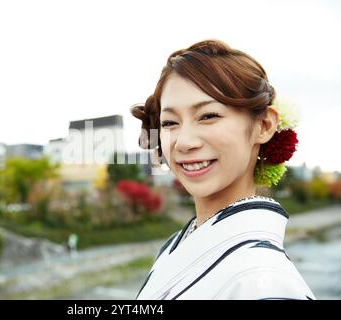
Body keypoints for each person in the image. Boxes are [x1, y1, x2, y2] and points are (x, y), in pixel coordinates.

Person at [131, 39, 315, 300]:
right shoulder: (174, 247)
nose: (184, 142)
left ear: (263, 125)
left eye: (208, 116)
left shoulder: (267, 282)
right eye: (170, 122)